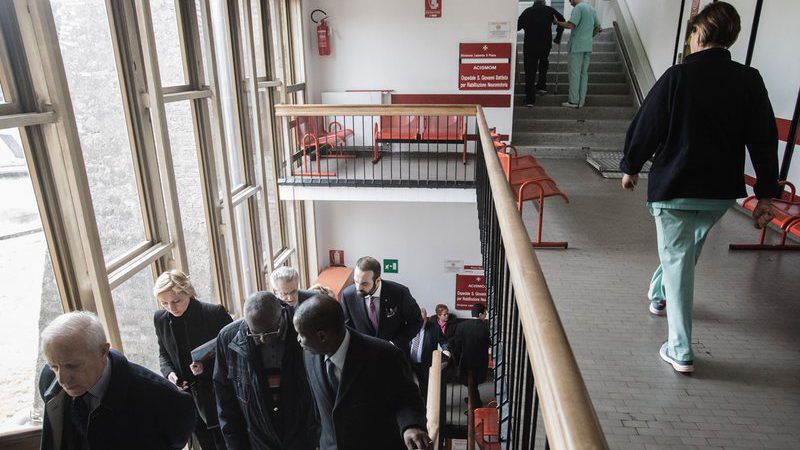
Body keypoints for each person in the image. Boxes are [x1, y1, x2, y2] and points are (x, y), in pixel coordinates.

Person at [619, 2, 778, 373]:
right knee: (683, 254)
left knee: (678, 260)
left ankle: (680, 349)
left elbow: (647, 124)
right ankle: (658, 295)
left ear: (699, 34)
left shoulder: (677, 77)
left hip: (674, 187)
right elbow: (764, 138)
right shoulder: (749, 80)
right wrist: (766, 193)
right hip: (719, 192)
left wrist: (631, 166)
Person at [39, 311, 195, 450]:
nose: (62, 379)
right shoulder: (49, 378)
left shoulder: (164, 398)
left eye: (73, 366)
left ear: (103, 351)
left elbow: (177, 439)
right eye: (54, 366)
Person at [293, 294, 431, 450]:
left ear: (322, 336)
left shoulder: (385, 355)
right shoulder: (309, 355)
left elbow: (407, 399)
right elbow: (315, 404)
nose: (298, 340)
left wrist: (410, 427)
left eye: (301, 335)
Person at [213, 292, 318, 449]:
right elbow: (225, 402)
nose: (263, 339)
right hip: (257, 440)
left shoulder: (302, 329)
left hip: (302, 436)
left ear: (282, 313)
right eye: (255, 334)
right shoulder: (228, 339)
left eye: (270, 332)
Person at [153, 270, 233, 450]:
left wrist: (206, 367)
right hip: (187, 396)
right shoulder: (160, 319)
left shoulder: (213, 313)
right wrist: (169, 374)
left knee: (227, 442)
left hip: (216, 393)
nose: (171, 308)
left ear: (188, 291)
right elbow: (164, 354)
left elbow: (234, 353)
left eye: (176, 301)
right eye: (164, 303)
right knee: (203, 443)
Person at [340, 256, 422, 353]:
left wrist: (395, 344)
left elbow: (416, 321)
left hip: (395, 355)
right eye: (356, 281)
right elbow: (346, 327)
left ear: (377, 280)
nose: (358, 287)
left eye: (364, 284)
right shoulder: (348, 295)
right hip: (364, 356)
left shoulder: (399, 293)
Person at [517, 0, 565, 106]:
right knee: (543, 63)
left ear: (534, 2)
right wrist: (558, 36)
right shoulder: (549, 10)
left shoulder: (527, 11)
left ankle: (530, 100)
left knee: (530, 71)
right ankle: (541, 86)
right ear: (544, 2)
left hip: (530, 45)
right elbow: (562, 20)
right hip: (545, 44)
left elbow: (518, 26)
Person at [556, 0, 601, 108]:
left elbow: (571, 25)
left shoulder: (578, 8)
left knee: (574, 74)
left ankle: (573, 101)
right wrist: (588, 38)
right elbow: (598, 27)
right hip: (587, 46)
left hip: (576, 46)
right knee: (583, 74)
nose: (570, 3)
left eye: (570, 0)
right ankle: (581, 101)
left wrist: (557, 22)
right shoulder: (591, 9)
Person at [451, 303, 490, 409]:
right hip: (480, 363)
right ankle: (475, 404)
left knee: (470, 384)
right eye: (485, 313)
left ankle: (473, 402)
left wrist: (457, 360)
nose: (485, 315)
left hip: (466, 361)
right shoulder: (486, 328)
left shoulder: (461, 326)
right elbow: (488, 343)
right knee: (474, 384)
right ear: (481, 314)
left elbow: (456, 346)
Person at [409, 308, 443, 398]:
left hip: (424, 363)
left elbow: (444, 342)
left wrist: (446, 350)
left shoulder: (434, 328)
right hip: (409, 362)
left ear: (426, 319)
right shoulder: (409, 327)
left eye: (422, 320)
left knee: (424, 387)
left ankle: (424, 407)